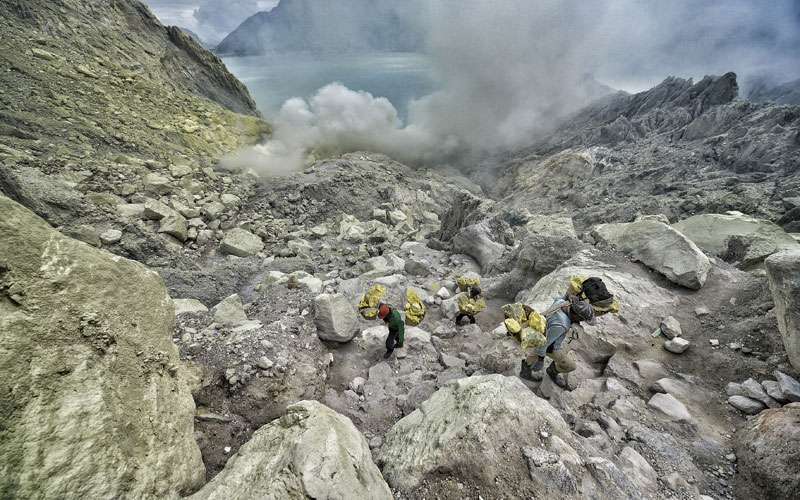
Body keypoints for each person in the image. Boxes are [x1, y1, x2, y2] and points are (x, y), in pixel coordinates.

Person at [519, 296, 595, 388]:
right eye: (581, 319)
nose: (581, 321)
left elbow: (557, 298)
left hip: (542, 331)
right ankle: (552, 371)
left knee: (534, 354)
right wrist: (541, 360)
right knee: (571, 366)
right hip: (549, 345)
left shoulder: (562, 302)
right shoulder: (562, 325)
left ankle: (525, 369)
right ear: (576, 315)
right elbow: (544, 343)